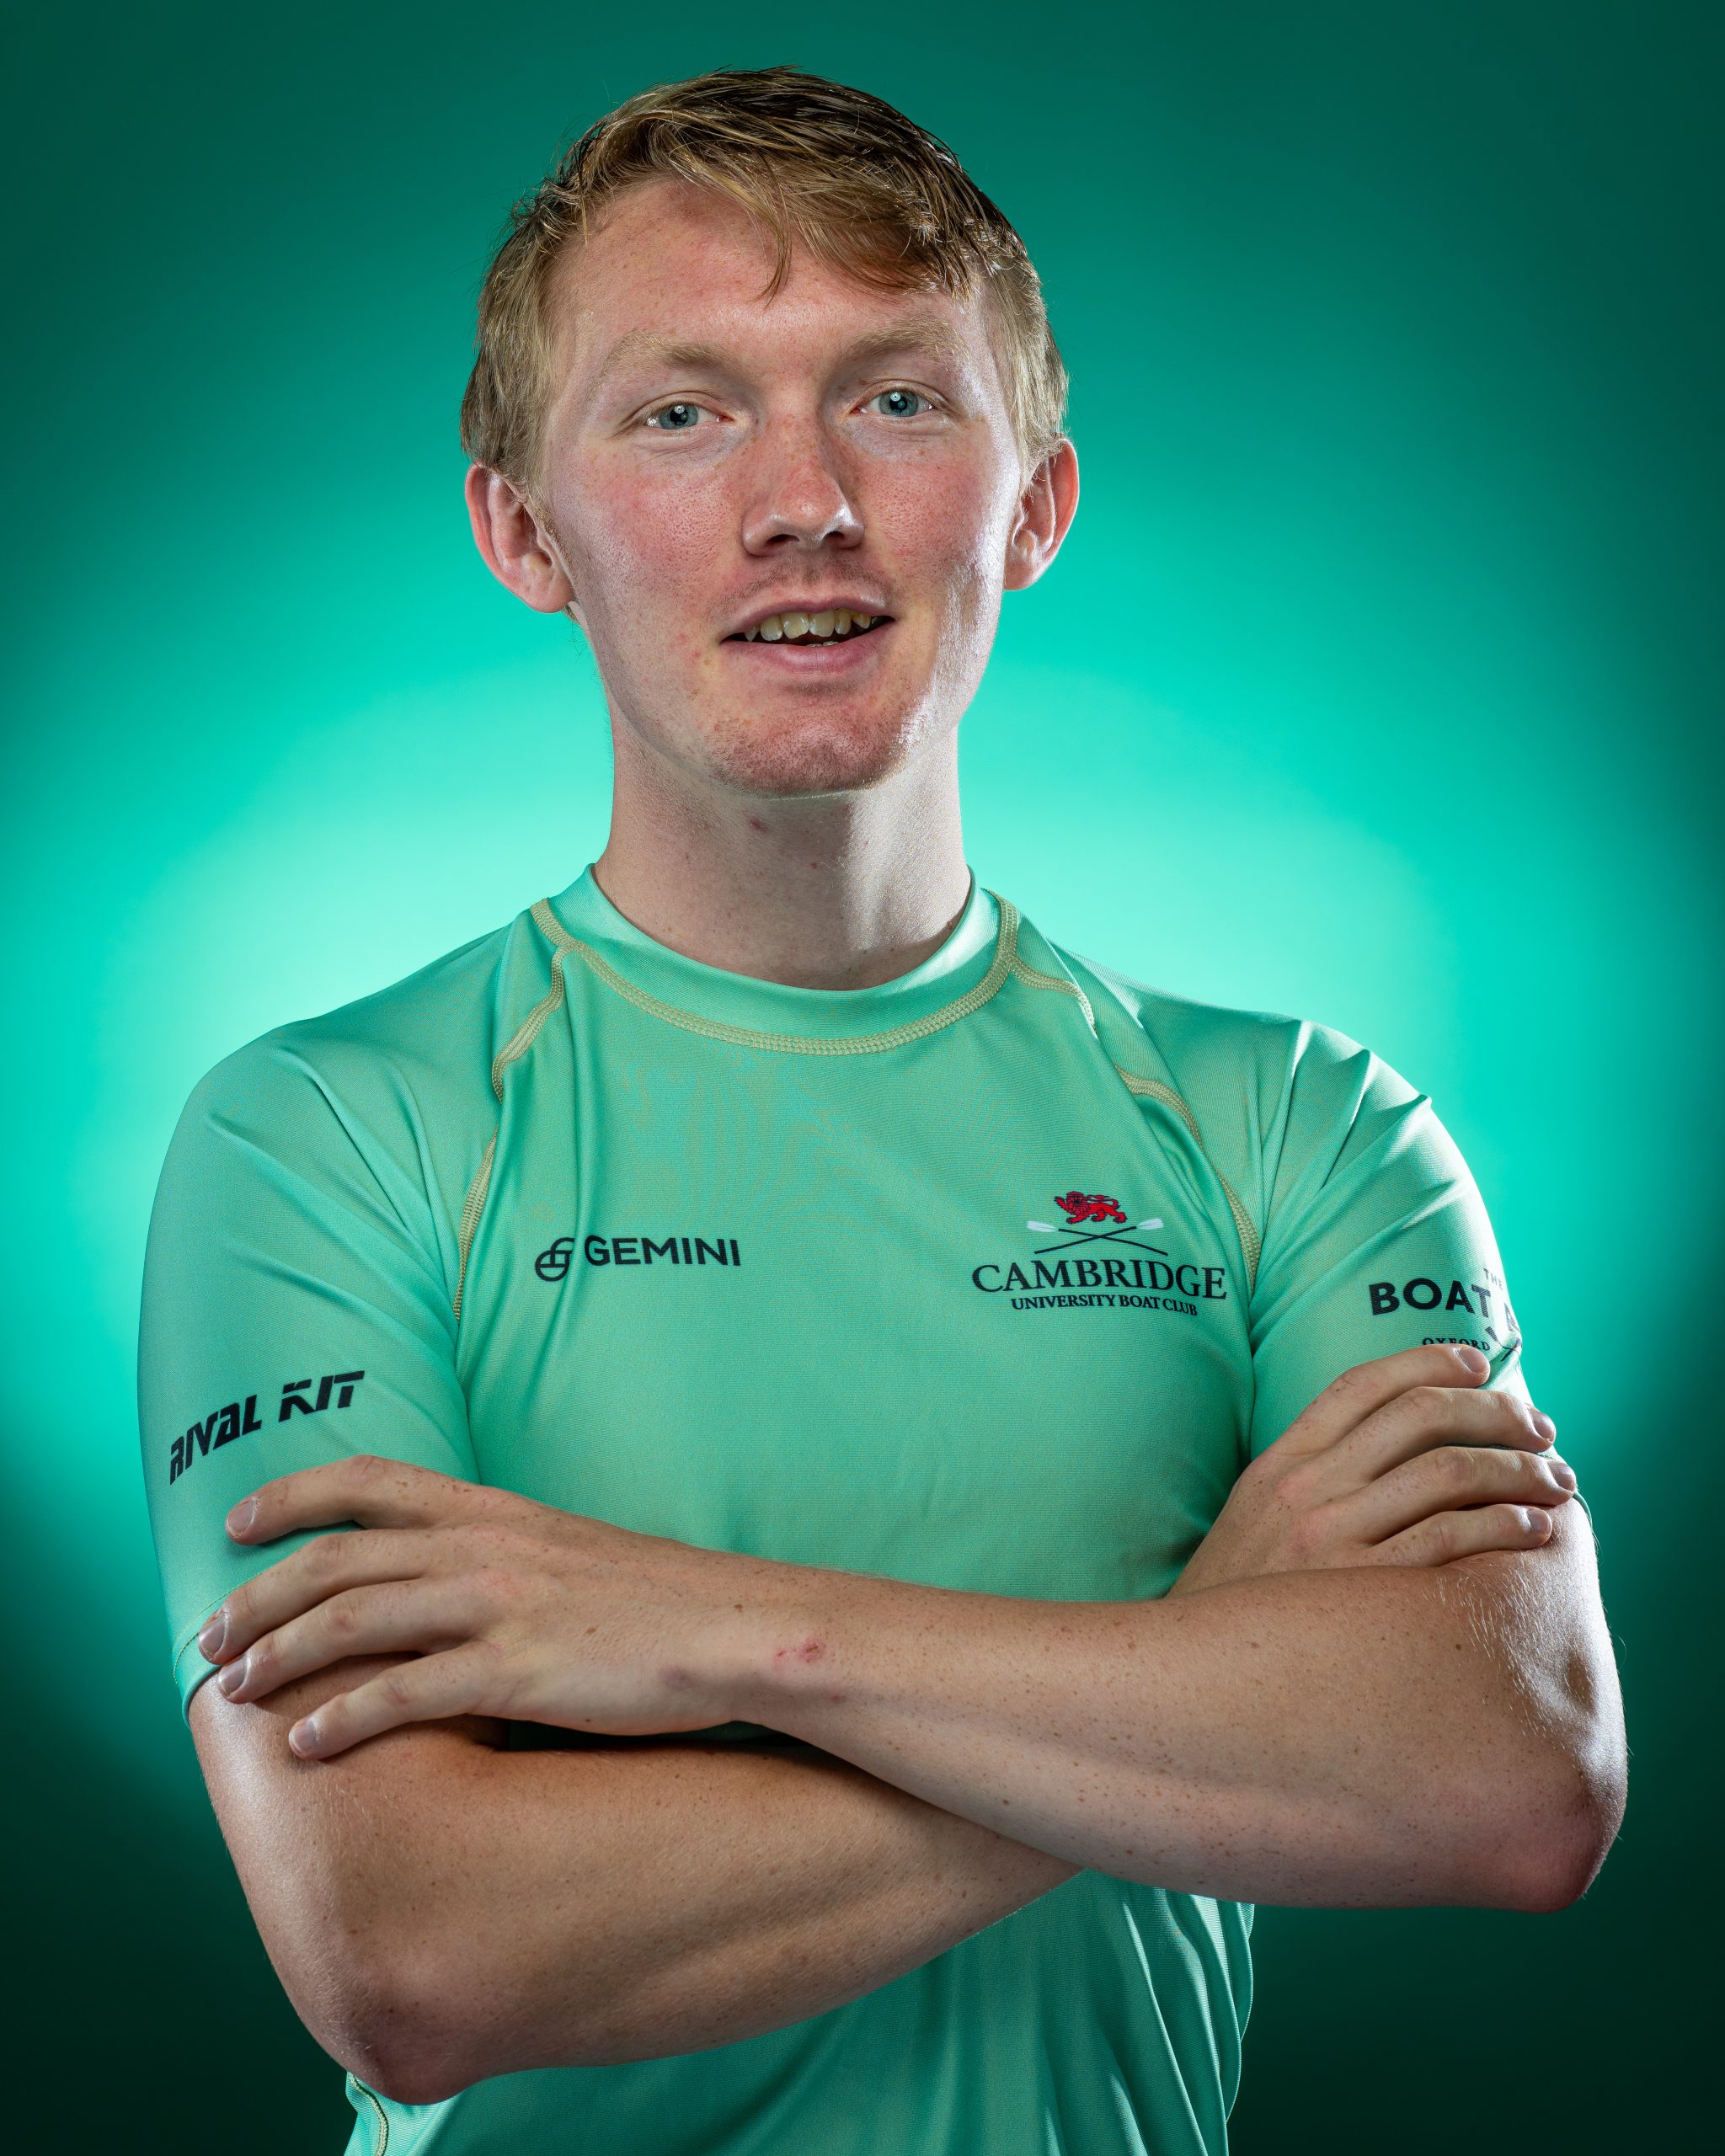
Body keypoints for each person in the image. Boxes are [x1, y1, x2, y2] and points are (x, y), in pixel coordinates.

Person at [137, 64, 1625, 2156]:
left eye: (897, 398)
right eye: (683, 410)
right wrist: (1198, 1668)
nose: (802, 501)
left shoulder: (1297, 1125)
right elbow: (408, 1947)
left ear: (1036, 502)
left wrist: (711, 1634)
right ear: (521, 529)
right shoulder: (322, 1135)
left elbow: (1509, 1769)